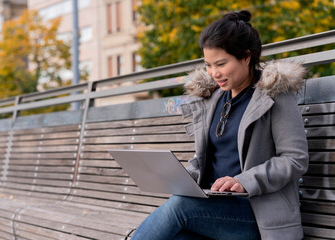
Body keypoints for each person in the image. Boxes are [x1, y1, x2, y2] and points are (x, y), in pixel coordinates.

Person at [131, 10, 309, 240]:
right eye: (208, 65)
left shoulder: (274, 95)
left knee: (180, 207)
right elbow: (205, 160)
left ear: (246, 56)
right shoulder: (213, 98)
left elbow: (294, 159)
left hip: (257, 214)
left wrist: (243, 181)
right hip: (212, 209)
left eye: (221, 64)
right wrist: (183, 178)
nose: (214, 73)